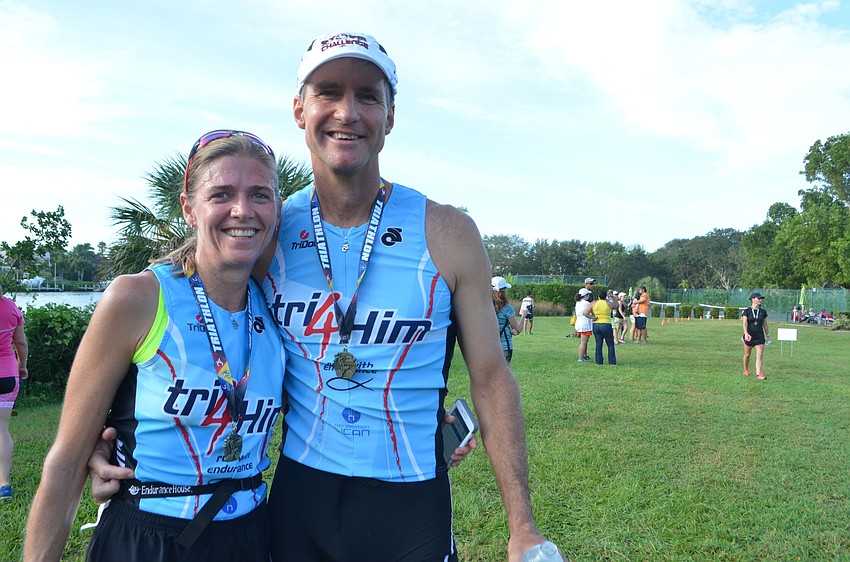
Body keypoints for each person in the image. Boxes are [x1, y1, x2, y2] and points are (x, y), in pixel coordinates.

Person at [90, 32, 556, 562]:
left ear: (390, 115)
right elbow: (186, 312)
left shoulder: (448, 233)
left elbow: (491, 376)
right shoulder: (267, 230)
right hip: (300, 501)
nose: (347, 112)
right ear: (300, 110)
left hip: (412, 503)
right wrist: (104, 438)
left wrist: (522, 526)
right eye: (328, 92)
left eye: (368, 96)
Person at [26, 131, 287, 561]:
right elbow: (67, 461)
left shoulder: (279, 303)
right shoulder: (138, 297)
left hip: (250, 535)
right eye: (221, 194)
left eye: (259, 195)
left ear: (276, 209)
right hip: (148, 538)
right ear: (188, 207)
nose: (242, 210)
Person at [0, 294, 28, 500]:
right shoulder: (10, 306)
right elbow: (21, 343)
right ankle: (3, 485)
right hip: (8, 376)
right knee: (1, 429)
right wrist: (22, 366)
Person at [493, 277, 525, 363]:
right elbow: (517, 329)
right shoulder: (507, 308)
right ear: (504, 291)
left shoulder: (485, 306)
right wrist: (524, 315)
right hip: (504, 347)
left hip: (488, 347)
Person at [584, 289, 618, 365]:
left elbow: (585, 313)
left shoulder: (593, 303)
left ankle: (599, 361)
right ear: (605, 297)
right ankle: (612, 361)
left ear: (598, 296)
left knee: (598, 344)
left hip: (596, 325)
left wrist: (592, 317)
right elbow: (616, 305)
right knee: (610, 344)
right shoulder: (608, 304)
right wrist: (613, 297)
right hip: (606, 324)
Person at [741, 292, 770, 380]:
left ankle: (759, 374)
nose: (760, 300)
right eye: (759, 298)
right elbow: (744, 323)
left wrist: (768, 335)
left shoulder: (763, 312)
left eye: (761, 299)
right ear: (753, 299)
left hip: (759, 336)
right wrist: (746, 333)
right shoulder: (747, 311)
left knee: (759, 355)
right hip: (749, 336)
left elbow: (765, 324)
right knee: (747, 355)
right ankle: (745, 369)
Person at [573, 288, 593, 363]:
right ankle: (580, 359)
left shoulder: (578, 302)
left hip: (579, 323)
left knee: (584, 341)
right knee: (583, 342)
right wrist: (593, 317)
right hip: (585, 324)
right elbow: (588, 313)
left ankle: (583, 356)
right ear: (586, 295)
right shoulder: (586, 303)